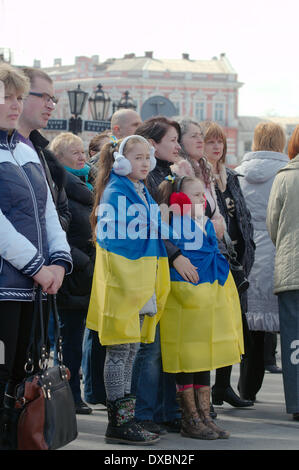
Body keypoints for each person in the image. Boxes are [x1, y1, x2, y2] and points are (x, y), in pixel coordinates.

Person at [86, 134, 171, 445]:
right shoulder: (116, 191)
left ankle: (126, 419)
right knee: (120, 351)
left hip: (140, 280)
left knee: (132, 350)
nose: (146, 163)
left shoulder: (140, 190)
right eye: (138, 158)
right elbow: (116, 241)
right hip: (124, 282)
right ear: (121, 161)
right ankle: (117, 423)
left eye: (148, 157)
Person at [0, 64, 72, 409]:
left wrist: (58, 262)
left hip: (34, 288)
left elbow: (48, 214)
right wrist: (37, 267)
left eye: (18, 97)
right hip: (6, 286)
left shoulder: (27, 151)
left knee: (20, 380)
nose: (14, 105)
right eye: (6, 98)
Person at [158, 174, 244, 439]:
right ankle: (190, 417)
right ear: (179, 197)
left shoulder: (205, 222)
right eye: (195, 195)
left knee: (204, 357)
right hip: (186, 295)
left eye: (202, 195)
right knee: (187, 357)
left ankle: (205, 415)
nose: (202, 199)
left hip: (207, 294)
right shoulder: (173, 222)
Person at [132, 116, 189, 435]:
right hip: (153, 268)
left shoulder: (168, 173)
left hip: (167, 270)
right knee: (150, 347)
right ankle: (144, 412)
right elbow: (154, 225)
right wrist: (176, 254)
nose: (177, 145)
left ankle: (167, 410)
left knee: (166, 344)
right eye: (172, 140)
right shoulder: (147, 179)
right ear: (152, 144)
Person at [201, 121, 255, 408]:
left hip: (237, 261)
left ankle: (223, 386)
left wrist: (249, 252)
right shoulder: (198, 177)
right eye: (211, 142)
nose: (217, 147)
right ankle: (205, 390)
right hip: (213, 260)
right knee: (213, 327)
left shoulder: (230, 176)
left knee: (234, 327)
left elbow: (243, 218)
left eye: (219, 142)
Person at [235, 121, 288, 401]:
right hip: (279, 253)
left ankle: (247, 388)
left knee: (250, 329)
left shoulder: (238, 174)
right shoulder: (287, 173)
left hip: (247, 255)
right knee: (286, 327)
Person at [49, 132, 95, 414]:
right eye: (74, 153)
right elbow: (58, 230)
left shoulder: (90, 182)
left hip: (90, 271)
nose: (82, 156)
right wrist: (82, 261)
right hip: (72, 272)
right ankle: (68, 394)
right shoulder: (58, 184)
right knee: (70, 338)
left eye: (82, 151)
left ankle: (76, 392)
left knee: (78, 337)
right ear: (59, 158)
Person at [267, 124, 299, 421]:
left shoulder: (286, 176)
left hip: (292, 268)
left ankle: (297, 402)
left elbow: (272, 224)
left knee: (293, 339)